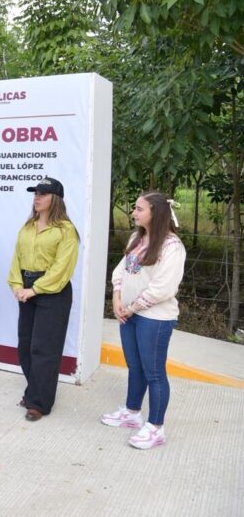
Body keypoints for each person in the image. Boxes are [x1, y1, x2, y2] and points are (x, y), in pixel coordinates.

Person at [101, 192, 186, 449]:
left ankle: (156, 427)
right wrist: (117, 298)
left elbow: (163, 288)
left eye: (139, 209)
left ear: (155, 213)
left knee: (154, 372)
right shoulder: (136, 238)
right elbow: (120, 270)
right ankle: (131, 412)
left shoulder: (172, 246)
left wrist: (132, 307)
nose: (134, 213)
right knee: (135, 366)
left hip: (154, 318)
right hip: (129, 314)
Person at [7, 177, 78, 421]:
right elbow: (16, 258)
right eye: (35, 193)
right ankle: (33, 391)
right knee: (26, 346)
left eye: (42, 194)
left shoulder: (66, 230)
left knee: (44, 348)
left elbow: (62, 268)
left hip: (52, 292)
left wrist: (35, 289)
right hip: (26, 289)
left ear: (55, 199)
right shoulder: (28, 226)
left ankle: (40, 402)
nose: (36, 198)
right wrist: (17, 285)